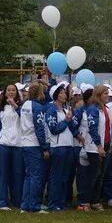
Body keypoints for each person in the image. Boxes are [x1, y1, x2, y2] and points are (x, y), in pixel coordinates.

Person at [19, 81, 49, 213]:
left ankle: (25, 205)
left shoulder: (24, 104)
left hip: (24, 143)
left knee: (28, 176)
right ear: (39, 93)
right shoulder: (37, 107)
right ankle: (34, 206)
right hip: (34, 144)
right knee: (36, 176)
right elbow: (39, 128)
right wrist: (44, 147)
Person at [45, 84, 75, 212]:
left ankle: (61, 202)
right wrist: (66, 121)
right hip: (58, 146)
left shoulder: (64, 109)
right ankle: (53, 203)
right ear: (55, 95)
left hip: (68, 145)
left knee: (65, 177)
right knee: (56, 176)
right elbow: (54, 129)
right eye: (61, 93)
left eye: (64, 92)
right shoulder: (51, 109)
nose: (64, 95)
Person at [81, 84, 111, 211]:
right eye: (105, 93)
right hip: (94, 146)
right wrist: (99, 146)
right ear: (98, 95)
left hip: (106, 145)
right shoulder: (93, 109)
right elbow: (93, 128)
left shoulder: (106, 108)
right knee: (94, 174)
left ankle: (95, 200)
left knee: (100, 175)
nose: (108, 95)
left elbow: (109, 127)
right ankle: (85, 201)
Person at [0, 83, 23, 211]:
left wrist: (15, 105)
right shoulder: (0, 109)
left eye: (13, 90)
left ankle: (17, 200)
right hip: (4, 143)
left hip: (18, 144)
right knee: (3, 174)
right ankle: (2, 202)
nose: (11, 92)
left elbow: (25, 119)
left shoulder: (21, 107)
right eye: (8, 90)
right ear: (5, 93)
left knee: (17, 174)